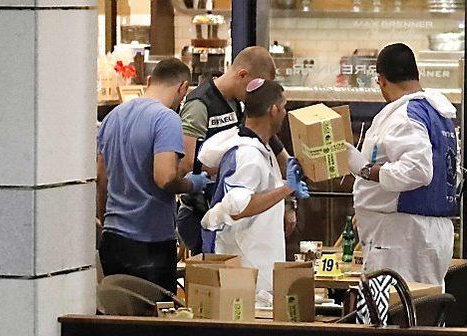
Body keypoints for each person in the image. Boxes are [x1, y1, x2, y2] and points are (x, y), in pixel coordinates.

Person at [347, 43, 459, 286]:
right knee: (423, 311)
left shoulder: (406, 115)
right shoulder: (436, 113)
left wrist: (365, 170)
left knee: (395, 316)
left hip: (402, 237)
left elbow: (417, 171)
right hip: (421, 233)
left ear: (382, 79)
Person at [97, 58, 210, 292]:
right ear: (183, 88)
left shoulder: (113, 116)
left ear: (149, 81)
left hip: (113, 239)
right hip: (150, 242)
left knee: (120, 314)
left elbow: (101, 177)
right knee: (155, 321)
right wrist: (192, 184)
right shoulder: (166, 119)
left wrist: (106, 219)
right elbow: (165, 177)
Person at [177, 46, 296, 253]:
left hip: (237, 221)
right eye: (256, 85)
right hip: (203, 213)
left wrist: (289, 202)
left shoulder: (241, 105)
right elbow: (186, 164)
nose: (258, 94)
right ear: (242, 75)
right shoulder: (199, 104)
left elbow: (280, 155)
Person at [197, 79, 310, 294]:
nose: (286, 113)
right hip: (246, 271)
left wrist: (286, 201)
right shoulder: (247, 154)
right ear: (274, 110)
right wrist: (286, 189)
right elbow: (238, 207)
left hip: (258, 262)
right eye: (284, 107)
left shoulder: (260, 148)